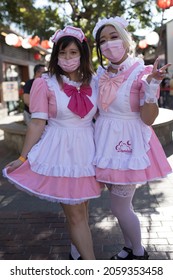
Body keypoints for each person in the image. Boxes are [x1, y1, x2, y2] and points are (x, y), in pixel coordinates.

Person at [3, 25, 102, 260]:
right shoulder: (44, 83)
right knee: (76, 213)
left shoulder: (95, 82)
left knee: (82, 211)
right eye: (62, 53)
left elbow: (104, 118)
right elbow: (37, 123)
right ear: (55, 56)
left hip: (88, 150)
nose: (67, 58)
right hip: (60, 152)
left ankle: (76, 255)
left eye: (73, 53)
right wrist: (22, 157)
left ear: (83, 54)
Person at [92, 16, 172, 260]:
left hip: (127, 144)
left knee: (119, 207)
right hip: (102, 142)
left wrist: (151, 89)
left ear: (125, 40)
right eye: (103, 41)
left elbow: (148, 119)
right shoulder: (100, 74)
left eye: (113, 37)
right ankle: (128, 248)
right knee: (122, 207)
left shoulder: (143, 72)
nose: (108, 44)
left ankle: (138, 252)